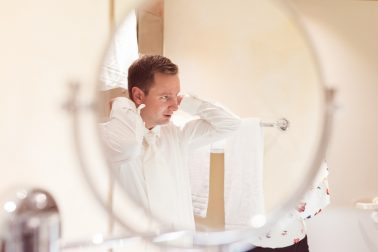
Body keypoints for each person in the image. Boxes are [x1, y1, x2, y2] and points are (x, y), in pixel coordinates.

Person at [100, 55, 241, 232]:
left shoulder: (178, 135)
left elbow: (230, 124)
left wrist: (188, 102)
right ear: (138, 95)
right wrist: (122, 105)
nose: (174, 106)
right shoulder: (108, 137)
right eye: (165, 97)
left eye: (176, 95)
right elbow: (128, 147)